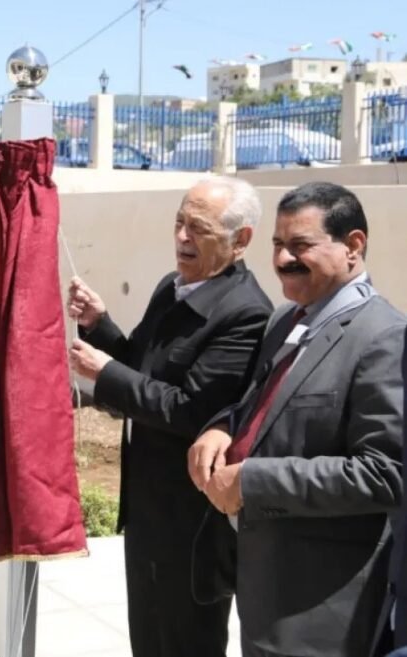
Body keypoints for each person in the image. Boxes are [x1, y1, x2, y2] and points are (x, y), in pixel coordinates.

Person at [189, 181, 405, 657]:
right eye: (278, 245)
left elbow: (386, 473)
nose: (284, 259)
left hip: (320, 610)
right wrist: (222, 427)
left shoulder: (384, 339)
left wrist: (252, 481)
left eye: (301, 245)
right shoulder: (286, 322)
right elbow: (261, 405)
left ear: (353, 246)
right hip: (262, 583)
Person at [68, 176, 273, 657]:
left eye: (198, 227)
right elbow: (140, 364)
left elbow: (191, 411)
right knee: (148, 632)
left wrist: (107, 373)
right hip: (147, 508)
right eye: (179, 222)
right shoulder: (173, 287)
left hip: (191, 520)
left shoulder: (245, 314)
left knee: (186, 639)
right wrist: (101, 325)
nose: (182, 237)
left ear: (240, 240)